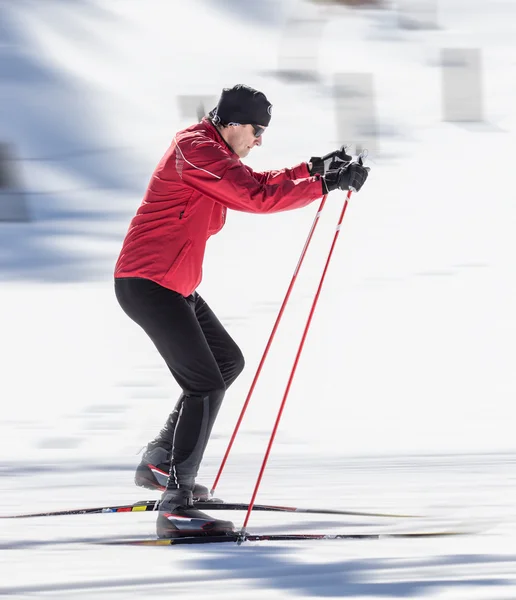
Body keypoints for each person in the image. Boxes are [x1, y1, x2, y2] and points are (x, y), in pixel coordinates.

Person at [114, 84, 369, 538]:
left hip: (175, 285)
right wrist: (322, 185)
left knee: (227, 362)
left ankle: (160, 461)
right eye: (256, 130)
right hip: (148, 282)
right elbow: (254, 196)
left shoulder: (214, 153)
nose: (259, 140)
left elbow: (256, 183)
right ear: (231, 124)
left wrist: (312, 170)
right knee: (204, 383)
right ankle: (177, 501)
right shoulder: (194, 148)